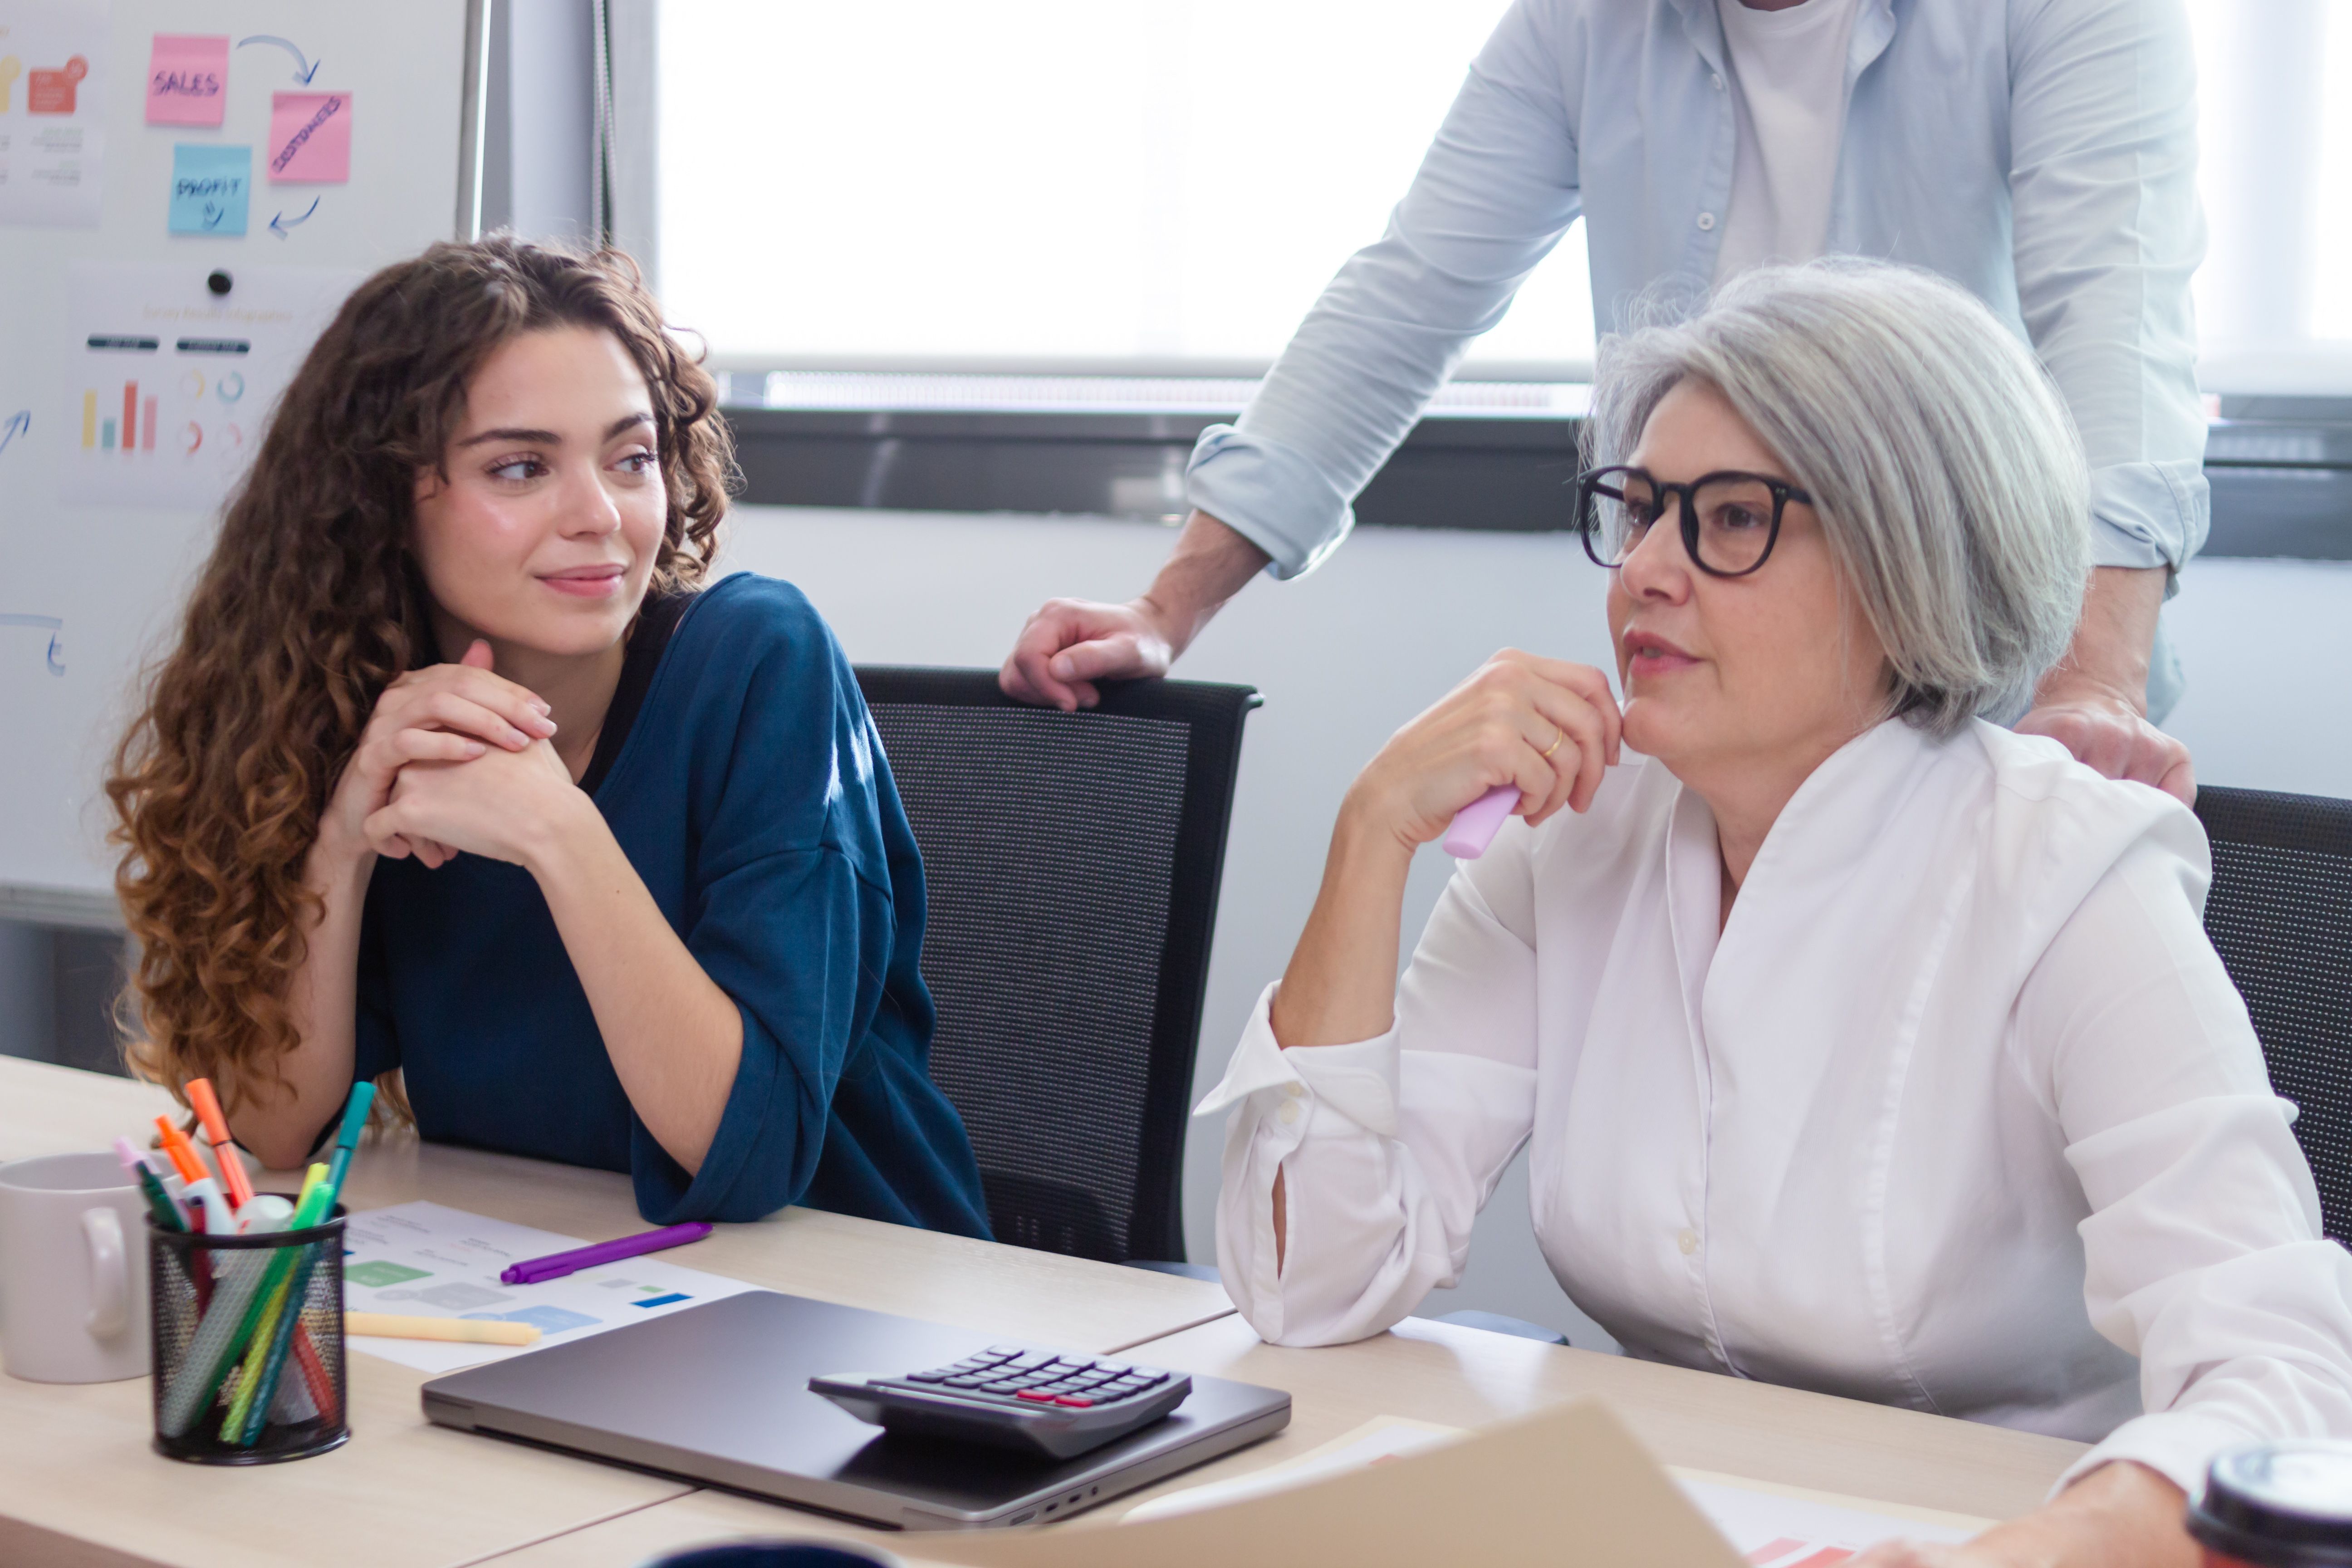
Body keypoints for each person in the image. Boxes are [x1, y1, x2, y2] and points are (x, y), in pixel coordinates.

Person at [1195, 263, 2352, 1566]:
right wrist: (1372, 837)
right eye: (1635, 515)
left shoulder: (2070, 868)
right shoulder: (1569, 833)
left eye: (1730, 519)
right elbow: (1310, 1289)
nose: (1644, 573)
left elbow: (2285, 1382)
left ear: (1909, 558)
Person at [1002, 0, 2203, 804]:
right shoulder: (1585, 22)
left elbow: (2118, 317)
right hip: (1731, 686)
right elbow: (1413, 290)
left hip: (1979, 701)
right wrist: (1171, 605)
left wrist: (2092, 684)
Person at [107, 237, 991, 1234]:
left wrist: (555, 831)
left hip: (854, 1300)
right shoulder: (361, 712)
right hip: (554, 1282)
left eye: (632, 458)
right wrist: (342, 844)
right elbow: (267, 1138)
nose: (600, 515)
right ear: (381, 502)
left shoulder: (758, 665)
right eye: (522, 467)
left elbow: (750, 1154)